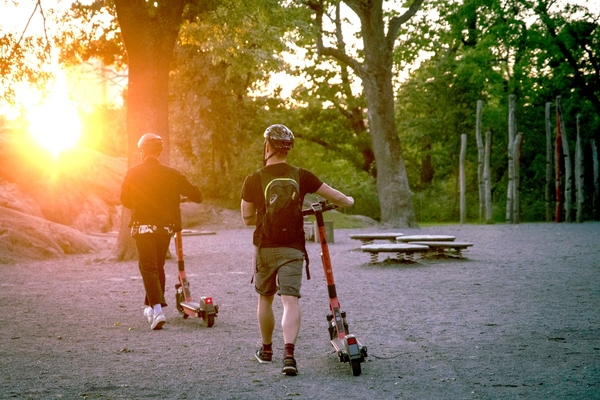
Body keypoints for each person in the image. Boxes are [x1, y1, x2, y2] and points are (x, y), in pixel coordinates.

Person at [240, 124, 354, 376]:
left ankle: (266, 350)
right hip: (293, 247)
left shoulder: (253, 179)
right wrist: (348, 201)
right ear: (288, 149)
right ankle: (289, 355)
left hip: (265, 247)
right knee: (289, 300)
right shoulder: (302, 175)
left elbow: (246, 217)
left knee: (265, 298)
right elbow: (337, 196)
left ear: (267, 146)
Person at [120, 133, 203, 330]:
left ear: (142, 151)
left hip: (142, 227)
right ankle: (150, 307)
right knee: (157, 267)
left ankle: (157, 311)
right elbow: (197, 196)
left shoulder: (132, 173)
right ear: (159, 151)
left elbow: (124, 200)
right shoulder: (173, 173)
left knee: (148, 267)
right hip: (165, 228)